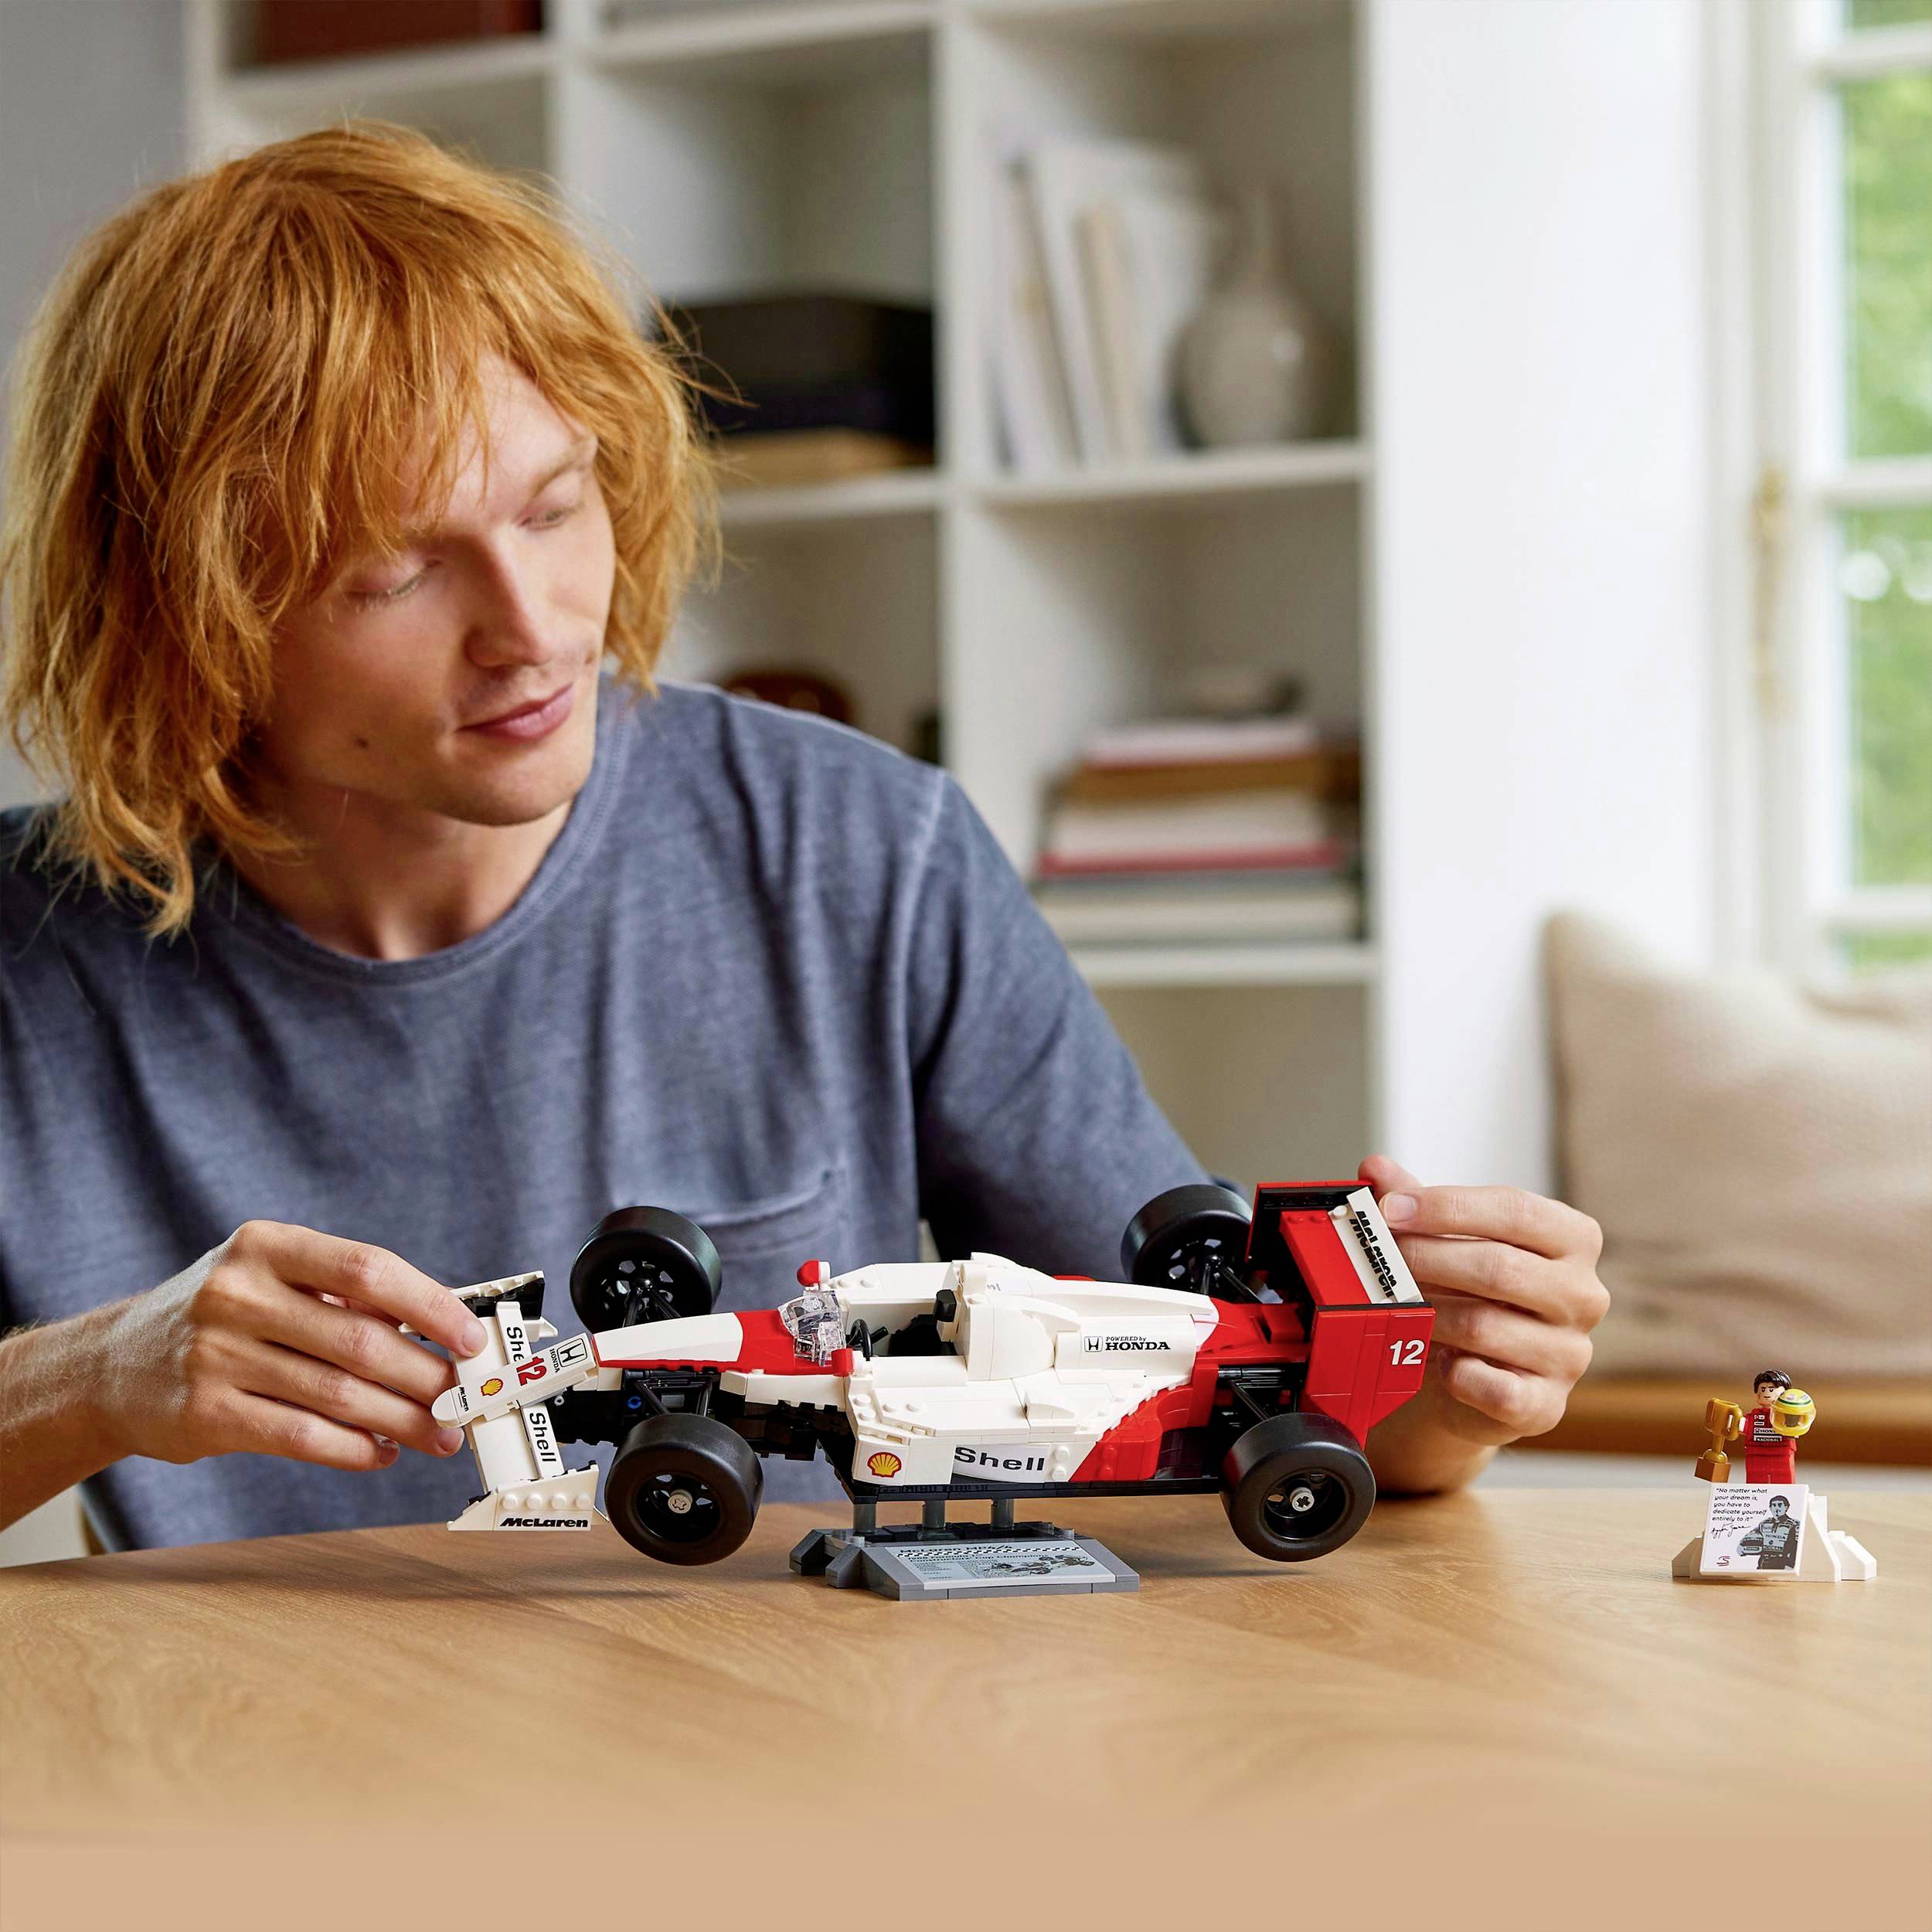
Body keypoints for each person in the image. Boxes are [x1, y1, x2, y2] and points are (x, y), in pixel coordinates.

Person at [0, 124, 1609, 1551]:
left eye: (555, 506)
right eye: (396, 573)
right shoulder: (29, 961)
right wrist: (89, 1377)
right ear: (192, 615)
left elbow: (1217, 1410)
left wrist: (1457, 1379)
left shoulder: (859, 848)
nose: (532, 627)